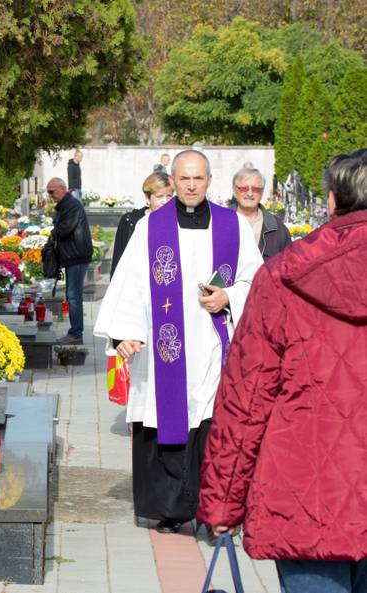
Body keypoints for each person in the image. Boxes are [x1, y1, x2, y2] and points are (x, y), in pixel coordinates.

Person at [198, 149, 367, 593]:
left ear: (331, 202)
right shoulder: (282, 278)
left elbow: (246, 400)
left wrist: (222, 504)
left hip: (306, 497)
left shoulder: (282, 276)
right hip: (309, 497)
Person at [93, 150, 262, 533]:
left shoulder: (232, 226)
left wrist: (228, 297)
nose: (190, 185)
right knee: (165, 423)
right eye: (183, 179)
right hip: (163, 348)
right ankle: (168, 510)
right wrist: (126, 332)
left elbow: (257, 281)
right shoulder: (151, 227)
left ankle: (212, 509)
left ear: (209, 181)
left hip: (214, 344)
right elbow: (131, 283)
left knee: (211, 426)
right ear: (173, 181)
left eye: (197, 178)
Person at [48, 177, 93, 345]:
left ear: (62, 189)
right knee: (72, 295)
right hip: (73, 255)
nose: (50, 195)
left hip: (77, 255)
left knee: (74, 296)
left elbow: (65, 229)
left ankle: (76, 334)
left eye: (51, 191)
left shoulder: (71, 205)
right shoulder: (65, 205)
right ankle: (75, 332)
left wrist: (53, 232)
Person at [110, 171, 174, 278]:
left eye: (169, 196)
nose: (165, 201)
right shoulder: (130, 221)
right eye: (159, 196)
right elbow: (118, 259)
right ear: (147, 198)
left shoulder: (175, 222)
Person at [228, 166, 292, 260]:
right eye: (244, 188)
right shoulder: (219, 222)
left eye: (256, 189)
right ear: (234, 191)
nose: (250, 194)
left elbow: (288, 264)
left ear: (262, 192)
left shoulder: (277, 228)